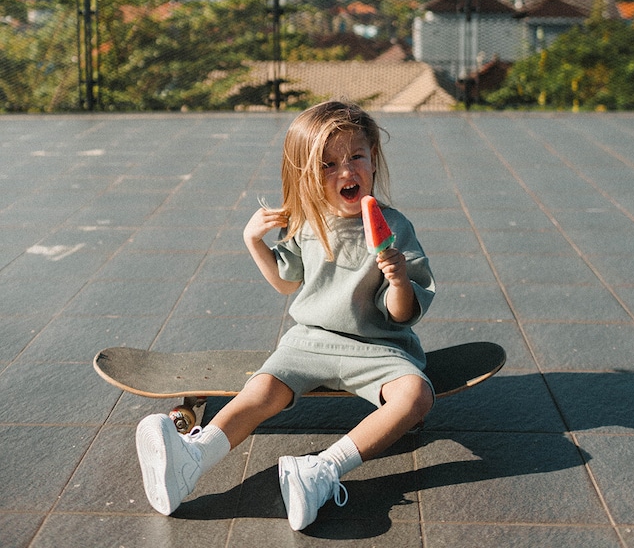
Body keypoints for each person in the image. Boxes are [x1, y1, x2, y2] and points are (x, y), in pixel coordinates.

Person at [135, 100, 436, 531]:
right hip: (310, 338)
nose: (346, 171)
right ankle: (191, 460)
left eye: (356, 157)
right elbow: (286, 282)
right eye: (328, 164)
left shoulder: (396, 226)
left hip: (379, 345)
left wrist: (400, 279)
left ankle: (321, 471)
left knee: (416, 397)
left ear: (373, 156)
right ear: (306, 176)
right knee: (259, 392)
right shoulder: (305, 222)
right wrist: (253, 240)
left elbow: (402, 314)